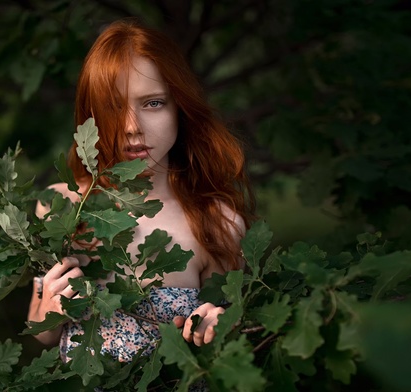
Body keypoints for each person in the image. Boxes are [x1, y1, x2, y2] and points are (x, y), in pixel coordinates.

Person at [28, 19, 255, 364]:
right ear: (91, 115)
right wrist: (47, 310)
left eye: (153, 103)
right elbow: (42, 334)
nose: (133, 127)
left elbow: (223, 344)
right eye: (114, 107)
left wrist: (219, 326)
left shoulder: (215, 222)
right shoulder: (59, 206)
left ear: (180, 106)